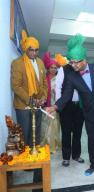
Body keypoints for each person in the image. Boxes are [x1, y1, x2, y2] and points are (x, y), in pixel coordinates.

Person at [45, 34, 94, 176]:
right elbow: (66, 95)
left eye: (75, 62)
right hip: (89, 111)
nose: (73, 65)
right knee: (91, 139)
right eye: (71, 62)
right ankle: (93, 165)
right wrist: (54, 107)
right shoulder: (72, 76)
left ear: (84, 60)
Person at [11, 30, 47, 189]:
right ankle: (26, 163)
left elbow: (44, 83)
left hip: (38, 104)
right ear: (26, 49)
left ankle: (35, 159)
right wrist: (30, 99)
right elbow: (16, 86)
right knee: (25, 133)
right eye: (31, 49)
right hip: (24, 105)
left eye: (36, 50)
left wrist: (43, 98)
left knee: (36, 132)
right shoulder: (17, 63)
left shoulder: (40, 62)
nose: (34, 52)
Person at [55, 53, 85, 167]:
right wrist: (59, 105)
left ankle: (76, 155)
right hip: (66, 106)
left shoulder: (82, 69)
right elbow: (58, 86)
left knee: (78, 132)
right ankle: (66, 157)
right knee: (66, 132)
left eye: (77, 60)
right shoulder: (64, 69)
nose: (75, 63)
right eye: (73, 60)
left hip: (80, 106)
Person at [40, 52, 62, 154]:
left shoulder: (59, 78)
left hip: (55, 106)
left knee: (55, 126)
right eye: (51, 67)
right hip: (46, 106)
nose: (53, 69)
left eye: (55, 67)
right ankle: (47, 145)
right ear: (48, 68)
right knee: (46, 127)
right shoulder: (44, 79)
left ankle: (54, 145)